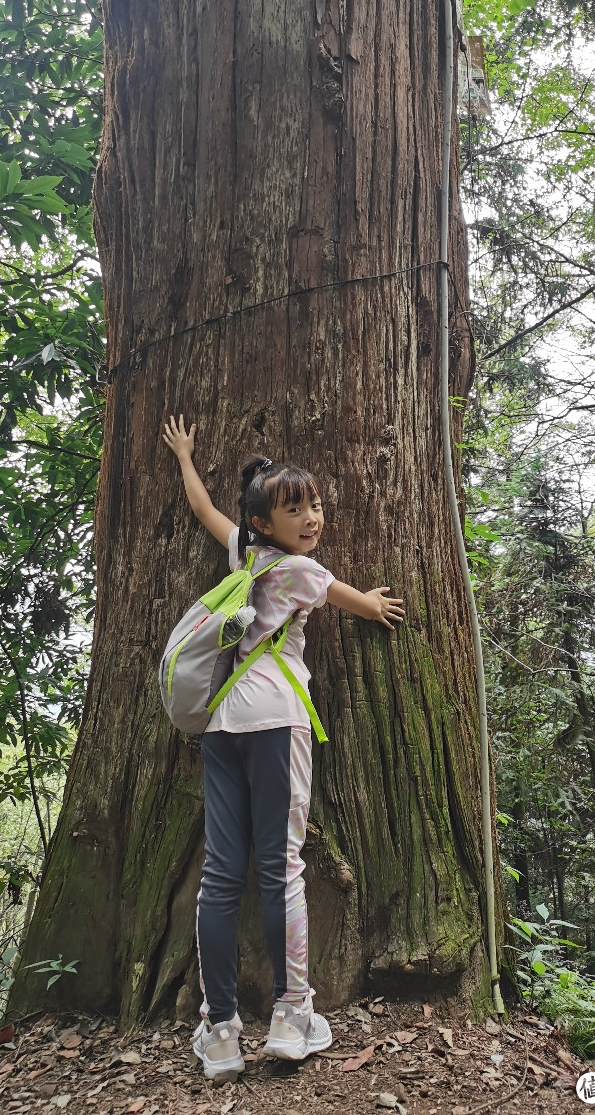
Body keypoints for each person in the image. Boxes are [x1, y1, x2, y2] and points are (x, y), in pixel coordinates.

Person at [162, 413, 405, 1083]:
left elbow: (205, 508)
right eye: (295, 508)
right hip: (276, 722)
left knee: (221, 876)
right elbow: (351, 600)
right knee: (281, 869)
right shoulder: (300, 570)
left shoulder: (243, 551)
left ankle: (219, 1031)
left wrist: (185, 456)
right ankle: (293, 1014)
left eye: (315, 505)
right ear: (268, 522)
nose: (311, 517)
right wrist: (376, 603)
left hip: (220, 727)